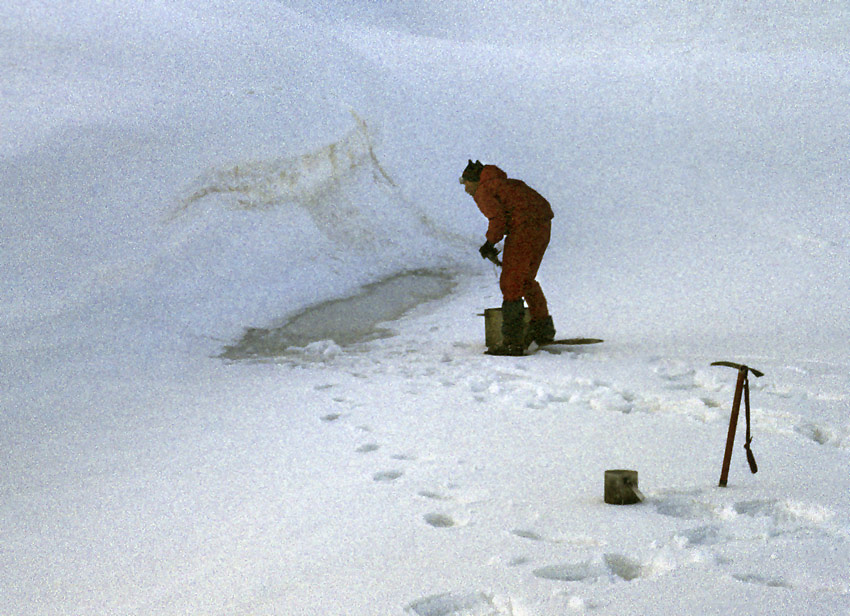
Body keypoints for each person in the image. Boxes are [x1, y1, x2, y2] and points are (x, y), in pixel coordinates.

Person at [460, 159, 556, 355]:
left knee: (511, 283)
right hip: (543, 227)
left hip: (524, 229)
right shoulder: (507, 183)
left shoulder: (483, 190)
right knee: (526, 280)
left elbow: (497, 219)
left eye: (466, 183)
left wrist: (489, 243)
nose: (466, 189)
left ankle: (512, 341)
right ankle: (543, 331)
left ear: (474, 180)